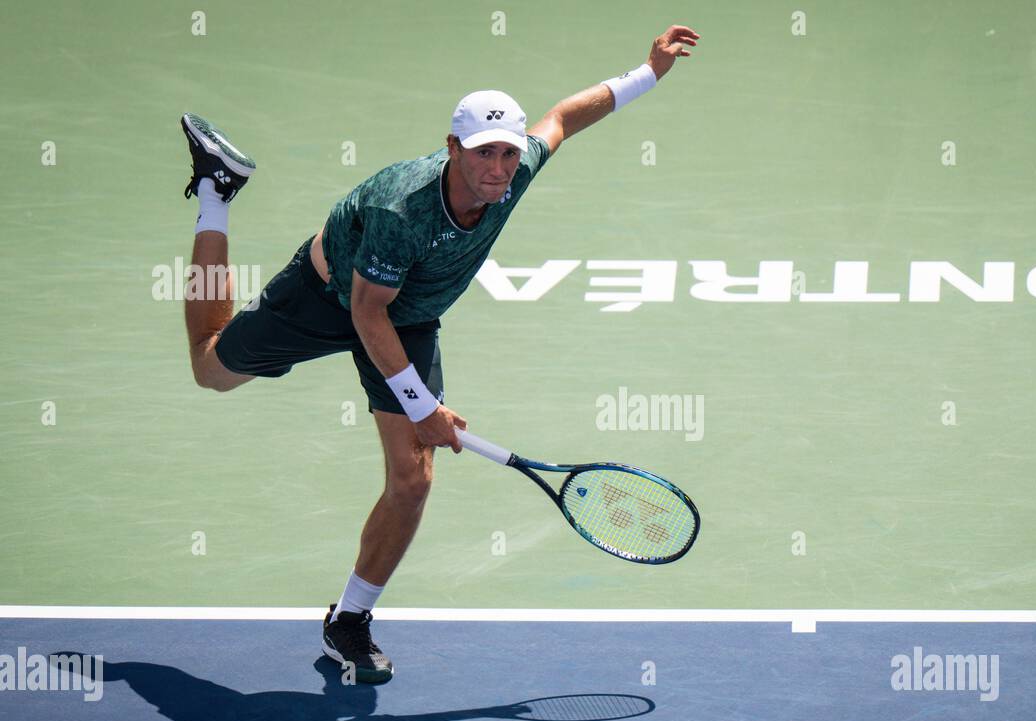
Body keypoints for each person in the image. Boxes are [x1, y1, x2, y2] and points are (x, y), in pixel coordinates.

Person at [178, 25, 700, 684]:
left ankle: (350, 620)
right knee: (210, 367)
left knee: (414, 479)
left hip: (408, 318)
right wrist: (423, 408)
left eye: (508, 155)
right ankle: (216, 194)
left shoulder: (512, 176)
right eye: (483, 154)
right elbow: (366, 312)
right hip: (331, 296)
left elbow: (565, 118)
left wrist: (647, 72)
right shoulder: (406, 210)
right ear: (453, 148)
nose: (498, 169)